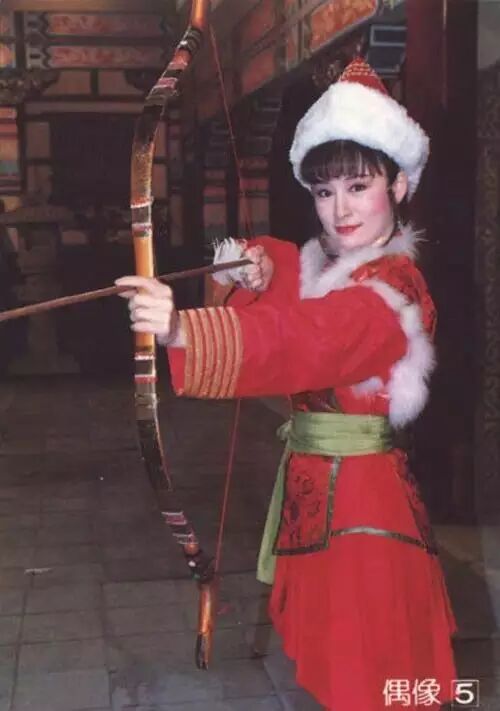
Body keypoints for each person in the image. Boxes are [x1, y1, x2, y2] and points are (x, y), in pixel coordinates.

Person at [116, 58, 456, 710]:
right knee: (342, 674)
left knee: (372, 677)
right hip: (323, 498)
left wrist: (182, 329)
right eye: (324, 192)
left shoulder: (391, 289)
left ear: (399, 184)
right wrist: (258, 266)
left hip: (363, 511)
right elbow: (297, 275)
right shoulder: (343, 267)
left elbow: (308, 339)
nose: (340, 208)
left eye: (358, 186)